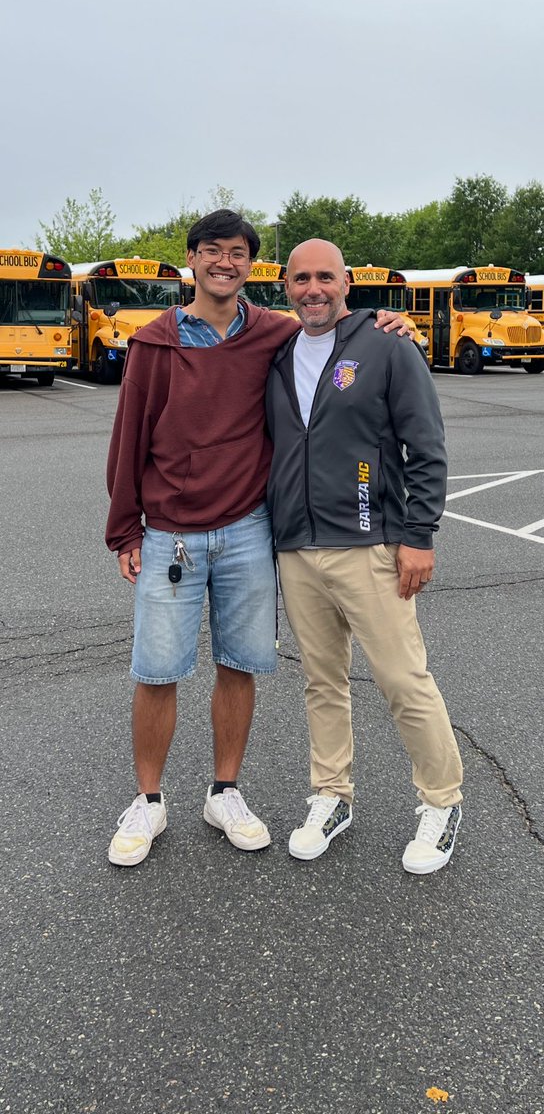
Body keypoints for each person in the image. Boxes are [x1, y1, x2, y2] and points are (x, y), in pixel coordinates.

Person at [105, 210, 410, 867]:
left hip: (247, 528)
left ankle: (225, 791)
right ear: (190, 259)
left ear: (251, 265)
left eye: (238, 252)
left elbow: (334, 322)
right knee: (158, 671)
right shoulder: (156, 345)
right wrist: (123, 527)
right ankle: (149, 802)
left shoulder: (270, 333)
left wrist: (388, 321)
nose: (224, 262)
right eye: (211, 251)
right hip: (171, 535)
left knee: (239, 664)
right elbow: (128, 438)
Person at [265, 238, 463, 874]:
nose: (313, 289)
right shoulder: (277, 350)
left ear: (347, 282)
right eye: (301, 279)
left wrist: (419, 534)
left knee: (403, 679)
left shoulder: (386, 345)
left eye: (326, 277)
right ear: (285, 286)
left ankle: (442, 802)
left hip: (371, 543)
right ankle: (332, 795)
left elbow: (424, 445)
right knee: (322, 681)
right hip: (297, 547)